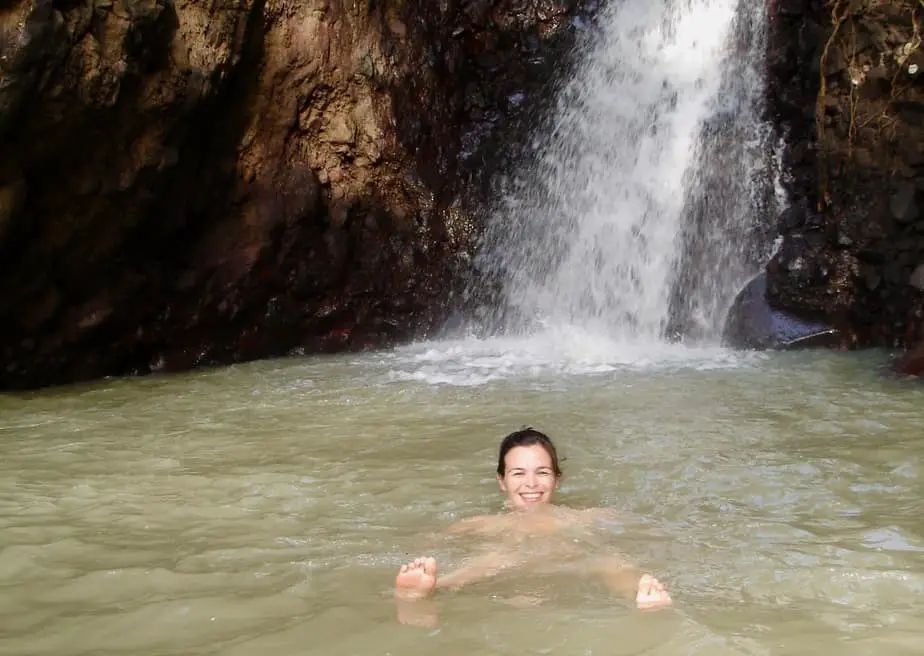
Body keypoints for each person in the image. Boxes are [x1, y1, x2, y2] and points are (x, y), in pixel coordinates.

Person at [394, 428, 673, 619]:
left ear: (556, 479)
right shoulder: (482, 523)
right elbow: (427, 543)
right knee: (491, 559)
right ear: (501, 481)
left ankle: (642, 598)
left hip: (572, 563)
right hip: (507, 565)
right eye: (518, 473)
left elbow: (650, 531)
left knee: (607, 560)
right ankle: (426, 590)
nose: (531, 484)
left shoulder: (586, 516)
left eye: (542, 472)